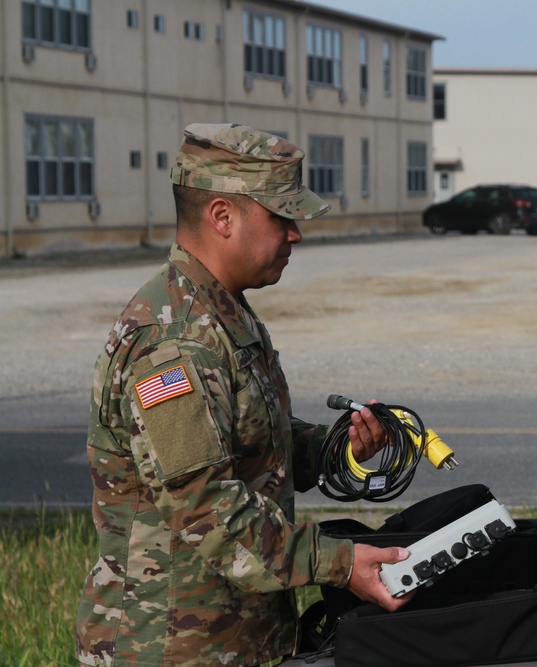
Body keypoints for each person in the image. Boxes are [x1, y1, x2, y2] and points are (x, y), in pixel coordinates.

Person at [75, 123, 409, 667]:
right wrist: (341, 563)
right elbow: (212, 517)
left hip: (237, 640)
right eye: (282, 217)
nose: (296, 234)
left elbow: (253, 449)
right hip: (169, 648)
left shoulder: (220, 311)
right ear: (223, 217)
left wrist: (337, 448)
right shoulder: (175, 341)